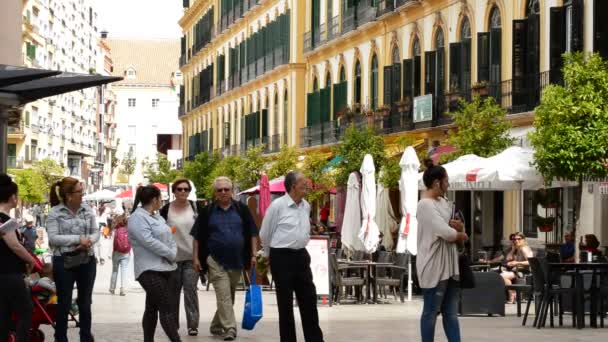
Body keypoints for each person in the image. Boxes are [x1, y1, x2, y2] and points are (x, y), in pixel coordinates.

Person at [260, 171, 324, 342]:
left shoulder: (306, 206)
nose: (307, 185)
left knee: (309, 299)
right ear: (293, 186)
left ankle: (315, 339)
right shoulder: (277, 206)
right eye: (303, 182)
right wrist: (268, 255)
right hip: (281, 257)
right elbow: (265, 233)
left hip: (301, 256)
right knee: (285, 303)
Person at [192, 176, 258, 341]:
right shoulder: (207, 211)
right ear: (215, 192)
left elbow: (253, 233)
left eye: (226, 189)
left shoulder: (241, 209)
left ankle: (216, 325)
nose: (223, 192)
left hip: (237, 260)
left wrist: (254, 254)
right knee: (224, 295)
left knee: (229, 295)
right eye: (219, 190)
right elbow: (197, 237)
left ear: (232, 191)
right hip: (215, 260)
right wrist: (196, 258)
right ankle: (230, 328)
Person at [417, 160, 468, 342]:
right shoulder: (425, 205)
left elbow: (455, 231)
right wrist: (459, 233)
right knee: (430, 312)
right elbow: (445, 232)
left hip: (451, 267)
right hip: (434, 267)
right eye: (446, 181)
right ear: (437, 182)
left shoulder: (446, 203)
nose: (448, 184)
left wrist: (460, 229)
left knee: (451, 314)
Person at [47, 177, 99, 342]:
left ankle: (85, 337)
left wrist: (88, 241)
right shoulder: (55, 213)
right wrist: (78, 239)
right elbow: (54, 238)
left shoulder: (87, 209)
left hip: (86, 260)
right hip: (64, 261)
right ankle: (60, 338)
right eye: (79, 192)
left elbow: (96, 232)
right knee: (64, 302)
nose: (82, 194)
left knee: (85, 302)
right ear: (69, 195)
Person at [128, 185, 181, 342]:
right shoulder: (137, 218)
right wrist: (170, 253)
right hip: (149, 268)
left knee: (152, 308)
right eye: (160, 198)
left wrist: (172, 251)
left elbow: (169, 235)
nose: (161, 201)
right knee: (166, 307)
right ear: (154, 199)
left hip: (166, 268)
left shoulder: (157, 216)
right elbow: (148, 241)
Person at [160, 178, 204, 336]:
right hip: (172, 258)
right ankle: (173, 325)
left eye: (186, 189)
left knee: (190, 291)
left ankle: (193, 325)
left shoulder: (195, 207)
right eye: (179, 189)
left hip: (192, 258)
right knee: (172, 293)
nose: (183, 192)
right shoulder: (166, 210)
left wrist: (199, 256)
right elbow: (160, 233)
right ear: (174, 192)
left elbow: (202, 233)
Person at [0, 174, 37, 342]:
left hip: (4, 274)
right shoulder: (5, 221)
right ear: (12, 197)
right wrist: (30, 260)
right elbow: (14, 245)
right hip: (10, 274)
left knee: (4, 313)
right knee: (26, 310)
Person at [500, 232, 534, 303]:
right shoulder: (517, 248)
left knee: (502, 276)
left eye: (519, 239)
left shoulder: (524, 249)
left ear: (524, 240)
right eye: (514, 239)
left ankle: (512, 295)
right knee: (501, 275)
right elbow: (508, 258)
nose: (516, 241)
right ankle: (512, 295)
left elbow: (531, 262)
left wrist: (516, 263)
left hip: (524, 271)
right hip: (516, 270)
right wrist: (513, 249)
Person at [109, 214, 131, 296]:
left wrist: (109, 253)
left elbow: (111, 243)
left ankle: (112, 288)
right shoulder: (128, 230)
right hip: (126, 253)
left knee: (114, 271)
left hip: (116, 253)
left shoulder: (115, 230)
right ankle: (123, 289)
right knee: (124, 271)